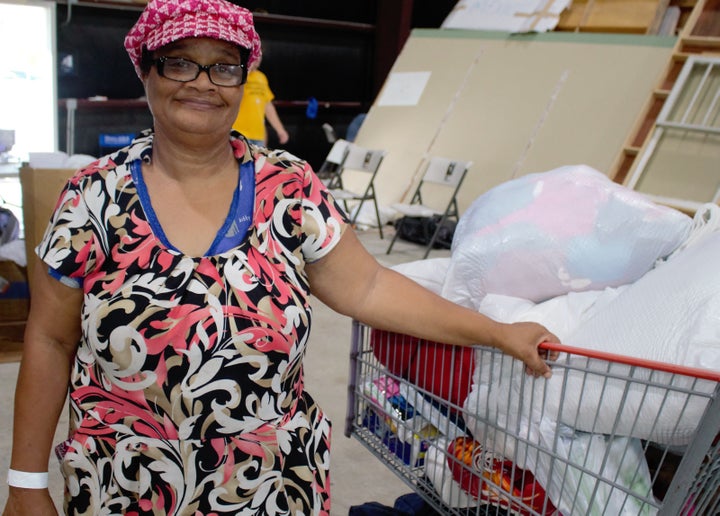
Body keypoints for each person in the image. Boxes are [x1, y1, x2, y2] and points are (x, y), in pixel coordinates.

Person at [2, 0, 559, 514]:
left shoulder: (288, 187)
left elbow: (368, 288)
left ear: (244, 81)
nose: (203, 82)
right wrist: (25, 483)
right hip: (123, 484)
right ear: (146, 70)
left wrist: (496, 332)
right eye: (179, 63)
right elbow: (51, 338)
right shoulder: (92, 197)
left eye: (224, 66)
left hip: (268, 486)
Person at [232, 50, 289, 146]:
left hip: (258, 137)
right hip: (238, 134)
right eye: (255, 55)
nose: (258, 58)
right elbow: (234, 92)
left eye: (260, 55)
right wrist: (247, 69)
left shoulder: (261, 77)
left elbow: (267, 106)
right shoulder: (237, 74)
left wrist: (280, 129)